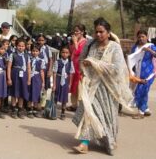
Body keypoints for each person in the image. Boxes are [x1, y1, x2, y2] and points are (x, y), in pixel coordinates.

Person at [72, 18, 133, 155]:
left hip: (108, 88)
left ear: (108, 32)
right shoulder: (91, 45)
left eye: (101, 32)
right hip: (92, 86)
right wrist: (86, 65)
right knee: (89, 113)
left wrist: (95, 63)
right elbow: (81, 61)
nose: (98, 35)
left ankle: (108, 141)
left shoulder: (114, 47)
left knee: (107, 116)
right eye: (96, 32)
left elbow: (117, 69)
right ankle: (84, 142)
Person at [130, 30, 156, 119]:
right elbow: (132, 59)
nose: (141, 38)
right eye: (139, 37)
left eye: (143, 37)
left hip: (149, 73)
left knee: (143, 91)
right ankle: (146, 109)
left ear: (146, 37)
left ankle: (141, 112)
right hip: (138, 73)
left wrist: (149, 50)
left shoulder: (151, 46)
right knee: (139, 91)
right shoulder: (135, 47)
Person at [7, 38, 31, 119]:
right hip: (15, 75)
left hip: (24, 75)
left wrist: (29, 79)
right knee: (14, 93)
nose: (21, 47)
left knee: (21, 93)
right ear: (16, 46)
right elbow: (9, 67)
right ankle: (13, 109)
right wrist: (9, 78)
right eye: (19, 46)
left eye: (23, 46)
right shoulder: (12, 54)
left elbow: (28, 68)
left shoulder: (27, 55)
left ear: (25, 47)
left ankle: (20, 110)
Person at [68, 24, 87, 111]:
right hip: (73, 65)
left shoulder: (85, 42)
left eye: (77, 31)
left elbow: (79, 52)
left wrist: (75, 42)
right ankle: (74, 105)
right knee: (73, 86)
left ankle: (81, 106)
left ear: (82, 32)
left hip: (80, 67)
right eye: (74, 31)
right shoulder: (75, 40)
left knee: (79, 86)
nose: (75, 33)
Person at [52, 46, 74, 120]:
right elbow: (54, 73)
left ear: (69, 54)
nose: (65, 54)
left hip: (66, 81)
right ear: (60, 53)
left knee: (64, 97)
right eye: (63, 52)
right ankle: (53, 111)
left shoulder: (71, 63)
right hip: (58, 79)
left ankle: (63, 112)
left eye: (66, 53)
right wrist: (54, 84)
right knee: (55, 96)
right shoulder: (57, 62)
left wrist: (70, 84)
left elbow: (71, 74)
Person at [27, 44, 45, 118]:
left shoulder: (41, 60)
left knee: (36, 94)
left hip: (37, 78)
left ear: (39, 52)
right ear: (31, 51)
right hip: (30, 77)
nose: (34, 52)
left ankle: (35, 109)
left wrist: (43, 82)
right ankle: (29, 110)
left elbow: (41, 71)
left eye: (36, 51)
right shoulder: (28, 59)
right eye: (33, 51)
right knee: (29, 93)